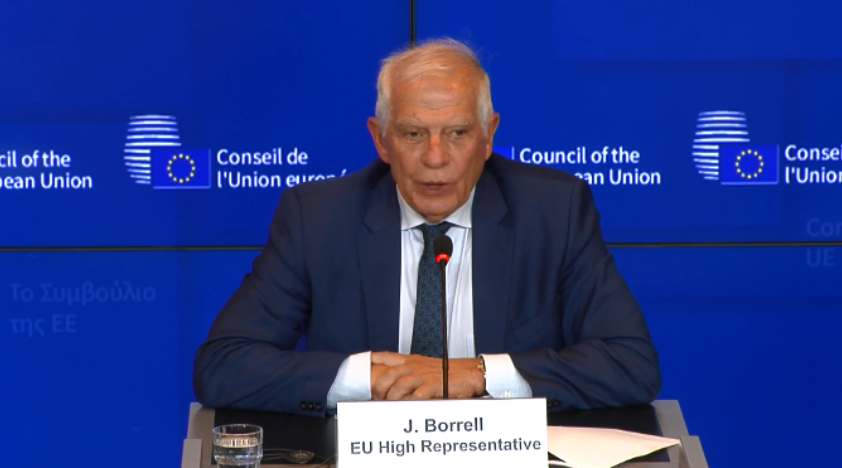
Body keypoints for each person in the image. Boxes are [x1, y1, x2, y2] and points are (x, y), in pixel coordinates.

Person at [193, 38, 661, 417]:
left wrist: (476, 374)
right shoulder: (317, 218)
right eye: (413, 133)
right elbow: (223, 365)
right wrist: (366, 378)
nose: (435, 158)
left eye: (457, 133)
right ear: (381, 140)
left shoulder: (553, 211)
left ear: (488, 136)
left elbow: (630, 364)